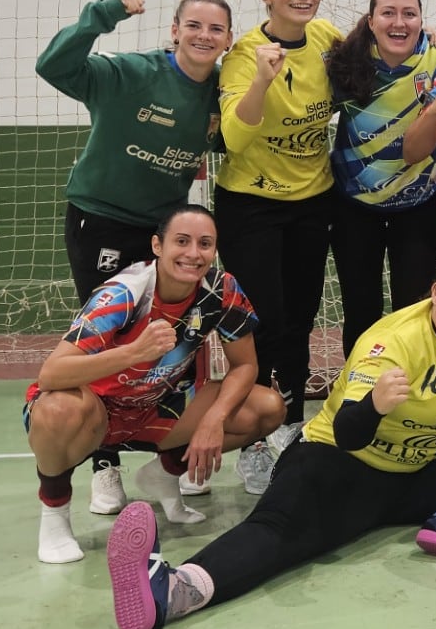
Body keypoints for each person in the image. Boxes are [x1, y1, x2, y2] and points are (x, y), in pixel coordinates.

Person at [105, 250, 436, 629]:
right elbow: (348, 431)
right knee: (281, 535)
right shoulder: (393, 340)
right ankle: (174, 590)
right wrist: (376, 406)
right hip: (342, 464)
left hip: (419, 479)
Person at [35, 0, 232, 515]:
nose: (203, 35)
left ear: (227, 40)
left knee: (173, 342)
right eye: (193, 25)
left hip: (165, 232)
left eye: (215, 28)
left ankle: (167, 458)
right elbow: (53, 66)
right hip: (101, 220)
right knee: (108, 342)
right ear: (174, 30)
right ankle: (104, 468)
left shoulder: (222, 92)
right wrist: (105, 13)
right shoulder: (132, 74)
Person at [24, 206, 282, 564]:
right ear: (157, 246)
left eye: (205, 244)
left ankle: (164, 474)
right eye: (182, 241)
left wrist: (213, 420)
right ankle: (54, 515)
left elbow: (245, 365)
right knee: (56, 409)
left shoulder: (221, 290)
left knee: (266, 408)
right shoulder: (123, 294)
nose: (194, 253)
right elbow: (51, 375)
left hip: (159, 407)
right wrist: (133, 352)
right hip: (96, 413)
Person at [214, 0, 341, 491]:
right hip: (251, 205)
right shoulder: (245, 54)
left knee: (300, 320)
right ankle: (254, 436)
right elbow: (231, 139)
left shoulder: (327, 39)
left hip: (313, 201)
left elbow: (377, 59)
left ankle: (288, 425)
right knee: (260, 322)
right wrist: (264, 81)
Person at [324, 0, 436, 356]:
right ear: (371, 21)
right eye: (388, 13)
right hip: (355, 209)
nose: (398, 23)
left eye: (409, 14)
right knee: (361, 310)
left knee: (415, 310)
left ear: (422, 20)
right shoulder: (343, 63)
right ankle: (359, 392)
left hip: (420, 208)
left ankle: (410, 394)